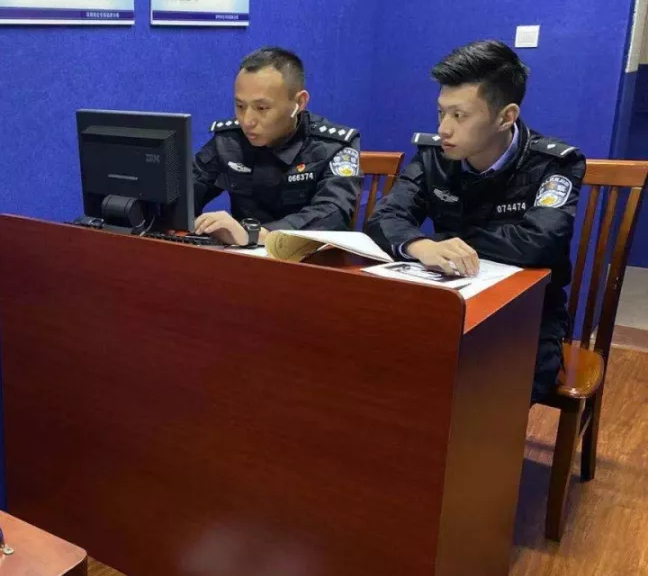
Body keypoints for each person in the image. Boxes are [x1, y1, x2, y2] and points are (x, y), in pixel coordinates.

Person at [366, 40, 586, 403]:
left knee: (493, 393)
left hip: (526, 315)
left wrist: (447, 241)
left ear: (506, 117)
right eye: (441, 113)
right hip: (447, 301)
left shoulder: (553, 163)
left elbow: (540, 241)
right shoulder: (434, 156)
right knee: (382, 363)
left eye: (460, 116)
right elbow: (384, 217)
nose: (444, 128)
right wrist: (421, 244)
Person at [191, 46, 363, 246]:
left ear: (299, 103)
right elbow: (185, 192)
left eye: (262, 108)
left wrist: (257, 235)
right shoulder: (229, 140)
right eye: (240, 106)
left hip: (308, 259)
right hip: (243, 257)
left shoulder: (332, 146)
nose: (247, 121)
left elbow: (332, 214)